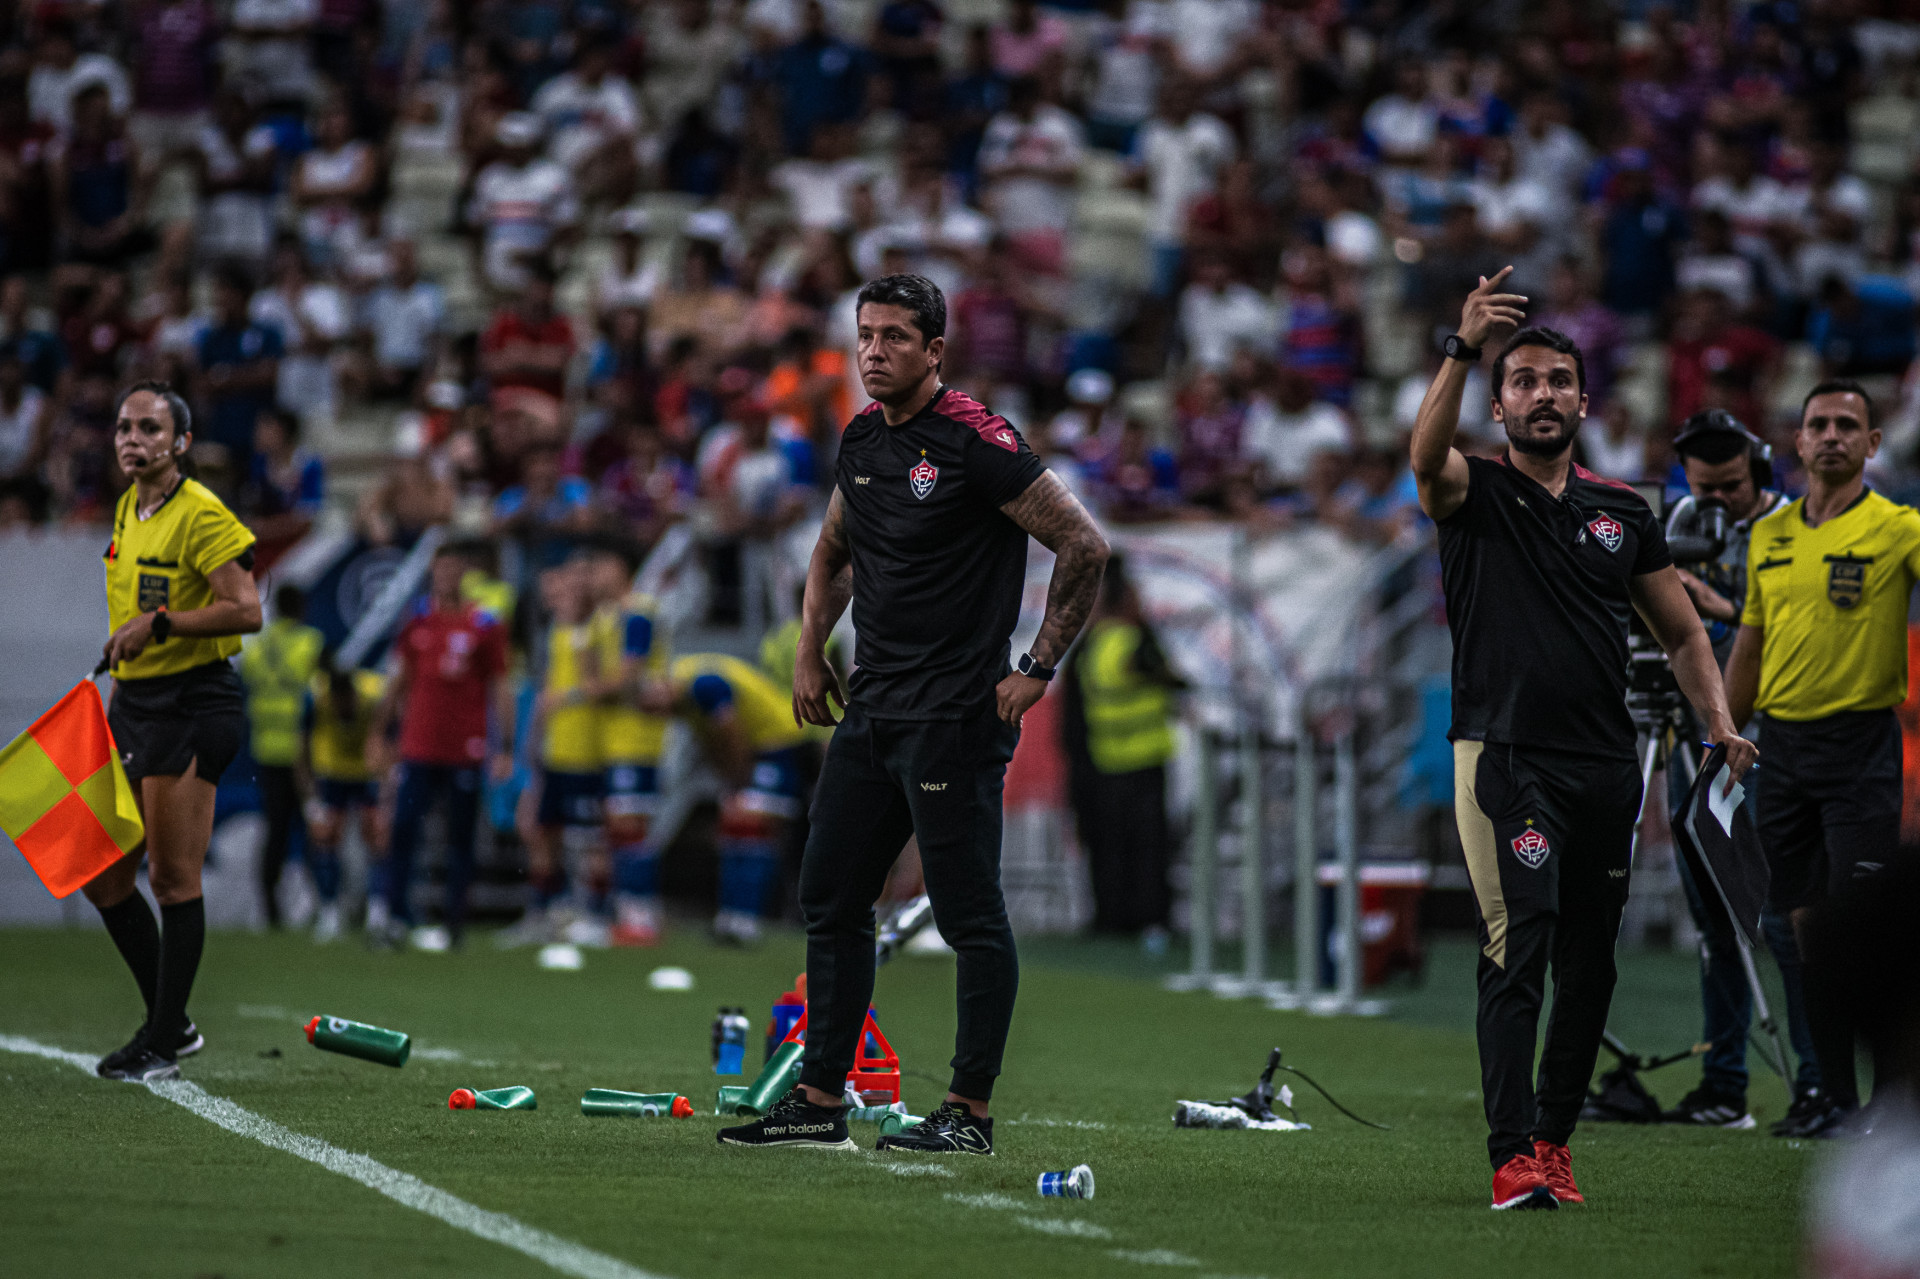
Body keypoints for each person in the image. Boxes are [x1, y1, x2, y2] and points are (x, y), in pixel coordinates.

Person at [717, 273, 1109, 1153]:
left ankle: (968, 1114)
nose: (874, 352)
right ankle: (819, 1103)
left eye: (895, 337)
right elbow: (834, 548)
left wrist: (1036, 669)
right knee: (832, 897)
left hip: (954, 716)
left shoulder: (976, 441)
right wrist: (810, 648)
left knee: (968, 914)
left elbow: (1083, 543)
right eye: (865, 335)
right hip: (873, 709)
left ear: (936, 351)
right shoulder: (860, 439)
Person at [1410, 271, 1756, 1210]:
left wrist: (1720, 720)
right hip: (1505, 756)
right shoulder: (1470, 488)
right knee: (1517, 942)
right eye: (1523, 381)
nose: (1543, 394)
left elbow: (1683, 631)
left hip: (1606, 764)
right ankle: (1510, 1150)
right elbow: (1421, 454)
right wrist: (1460, 343)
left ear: (1583, 398)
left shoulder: (1623, 513)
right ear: (1501, 401)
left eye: (1558, 380)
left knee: (1591, 962)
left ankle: (1555, 1143)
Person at [1726, 379, 1920, 1138]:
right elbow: (1750, 642)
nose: (1832, 435)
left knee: (1854, 925)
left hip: (1861, 747)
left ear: (1873, 444)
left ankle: (1892, 1102)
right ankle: (1831, 1096)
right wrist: (1724, 734)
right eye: (1819, 424)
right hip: (1784, 747)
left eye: (1848, 424)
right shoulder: (1770, 536)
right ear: (1798, 442)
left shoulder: (1899, 528)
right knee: (1801, 927)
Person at [88, 381, 263, 1081]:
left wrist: (156, 626)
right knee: (102, 875)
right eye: (125, 428)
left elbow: (246, 611)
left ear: (181, 443)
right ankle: (174, 1023)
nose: (134, 440)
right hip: (135, 703)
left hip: (194, 703)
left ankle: (161, 1039)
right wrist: (125, 640)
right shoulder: (132, 504)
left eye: (151, 429)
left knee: (170, 875)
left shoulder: (204, 515)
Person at [1659, 411, 1823, 1133]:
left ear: (1759, 469)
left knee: (1781, 918)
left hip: (1770, 744)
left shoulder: (1790, 531)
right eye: (1705, 487)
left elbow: (1805, 629)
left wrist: (1718, 610)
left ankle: (1818, 1082)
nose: (1718, 500)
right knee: (1712, 920)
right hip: (1691, 736)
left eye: (1730, 485)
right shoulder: (1680, 526)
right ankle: (1723, 1083)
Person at [374, 542, 514, 951]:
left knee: (460, 837)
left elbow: (500, 684)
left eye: (454, 568)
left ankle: (454, 924)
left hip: (464, 748)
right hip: (418, 745)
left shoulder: (484, 623)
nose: (446, 576)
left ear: (465, 572)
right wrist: (380, 731)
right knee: (403, 830)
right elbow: (400, 678)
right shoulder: (417, 619)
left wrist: (504, 745)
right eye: (441, 569)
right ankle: (395, 917)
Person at [643, 652, 812, 944]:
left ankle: (748, 918)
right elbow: (712, 741)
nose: (657, 714)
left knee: (753, 827)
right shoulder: (685, 703)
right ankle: (733, 916)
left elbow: (731, 732)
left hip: (779, 745)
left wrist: (740, 777)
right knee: (736, 829)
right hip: (757, 752)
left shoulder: (702, 685)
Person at [1064, 552, 1184, 941]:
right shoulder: (1135, 640)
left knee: (1108, 846)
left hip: (1102, 758)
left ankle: (1112, 918)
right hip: (1140, 758)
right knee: (1147, 847)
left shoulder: (1090, 645)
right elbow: (1170, 679)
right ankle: (1149, 919)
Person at [511, 556, 608, 947]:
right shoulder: (557, 631)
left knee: (589, 839)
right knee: (540, 832)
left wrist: (567, 697)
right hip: (555, 750)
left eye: (565, 589)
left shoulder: (598, 629)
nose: (556, 597)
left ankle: (594, 916)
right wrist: (531, 743)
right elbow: (547, 690)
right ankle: (545, 912)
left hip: (586, 750)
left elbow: (597, 683)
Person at [585, 539, 671, 946]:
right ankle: (623, 911)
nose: (594, 574)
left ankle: (640, 915)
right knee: (615, 827)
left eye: (601, 564)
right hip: (611, 737)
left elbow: (630, 675)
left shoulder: (638, 613)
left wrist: (587, 691)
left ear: (622, 569)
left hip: (638, 737)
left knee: (631, 824)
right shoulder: (606, 616)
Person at [238, 582, 322, 929]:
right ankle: (323, 903)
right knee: (316, 825)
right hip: (303, 749)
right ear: (301, 608)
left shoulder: (256, 647)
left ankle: (271, 909)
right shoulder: (309, 642)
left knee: (275, 830)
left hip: (265, 747)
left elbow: (246, 685)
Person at [300, 657, 386, 943]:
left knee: (376, 833)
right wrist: (310, 797)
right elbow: (300, 747)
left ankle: (377, 910)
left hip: (366, 770)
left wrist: (388, 779)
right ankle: (329, 910)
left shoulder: (375, 695)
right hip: (332, 770)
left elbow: (392, 734)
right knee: (325, 836)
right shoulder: (316, 699)